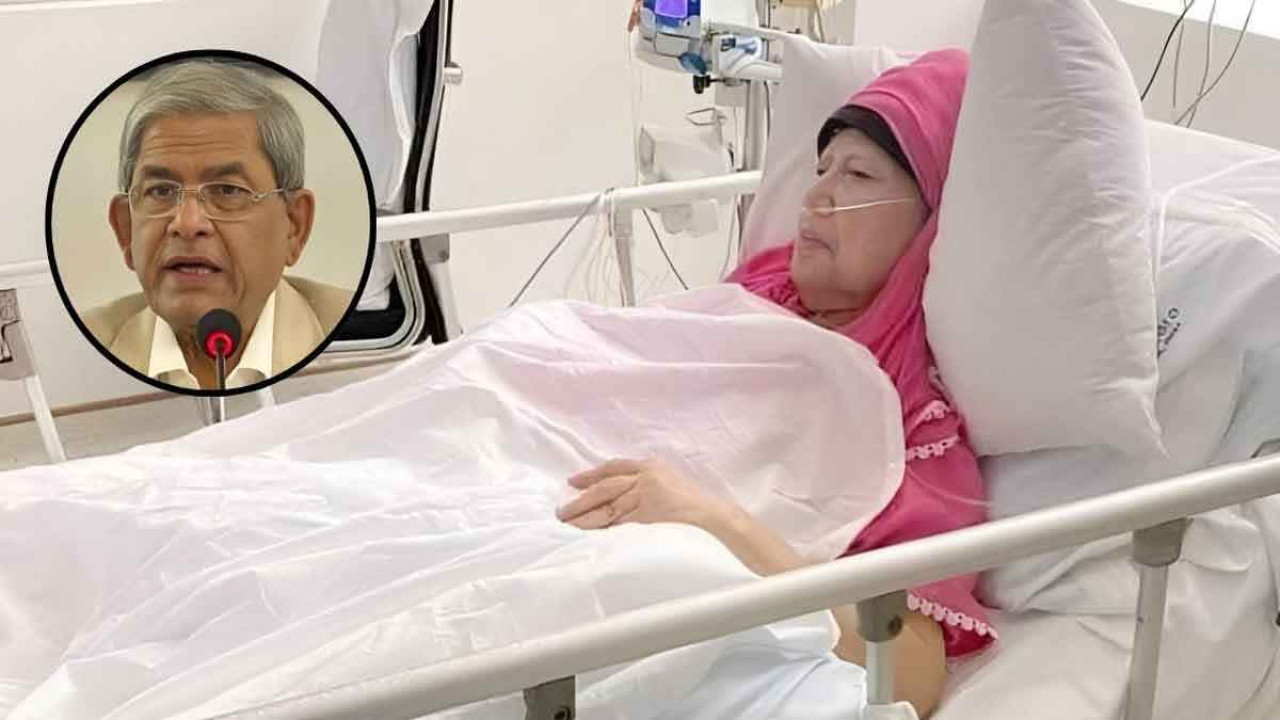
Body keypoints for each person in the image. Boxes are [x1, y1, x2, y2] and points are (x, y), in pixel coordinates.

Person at [557, 49, 989, 719]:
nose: (814, 197)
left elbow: (908, 670)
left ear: (932, 219)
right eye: (821, 170)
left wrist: (714, 518)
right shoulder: (753, 294)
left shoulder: (910, 427)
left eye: (858, 174)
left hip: (640, 576)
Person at [82, 59, 353, 391]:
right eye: (161, 191)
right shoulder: (77, 354)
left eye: (227, 190)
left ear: (294, 225)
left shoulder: (360, 336)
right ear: (125, 230)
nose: (187, 224)